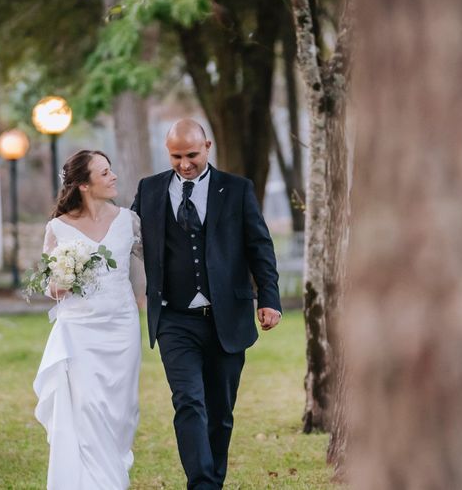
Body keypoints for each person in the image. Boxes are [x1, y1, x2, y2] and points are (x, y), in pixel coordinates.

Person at [132, 119, 282, 489]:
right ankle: (202, 484)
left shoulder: (237, 189)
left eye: (192, 155)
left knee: (220, 412)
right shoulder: (150, 190)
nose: (184, 164)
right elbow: (126, 238)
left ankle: (211, 479)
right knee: (188, 403)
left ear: (208, 147)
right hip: (174, 318)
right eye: (176, 156)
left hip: (226, 316)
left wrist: (269, 298)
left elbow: (259, 246)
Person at [33, 150, 143, 489]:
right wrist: (61, 282)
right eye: (104, 173)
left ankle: (112, 472)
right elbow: (50, 287)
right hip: (79, 331)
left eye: (111, 170)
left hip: (122, 329)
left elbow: (160, 262)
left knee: (119, 412)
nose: (113, 177)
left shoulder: (129, 220)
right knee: (86, 409)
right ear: (83, 184)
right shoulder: (58, 229)